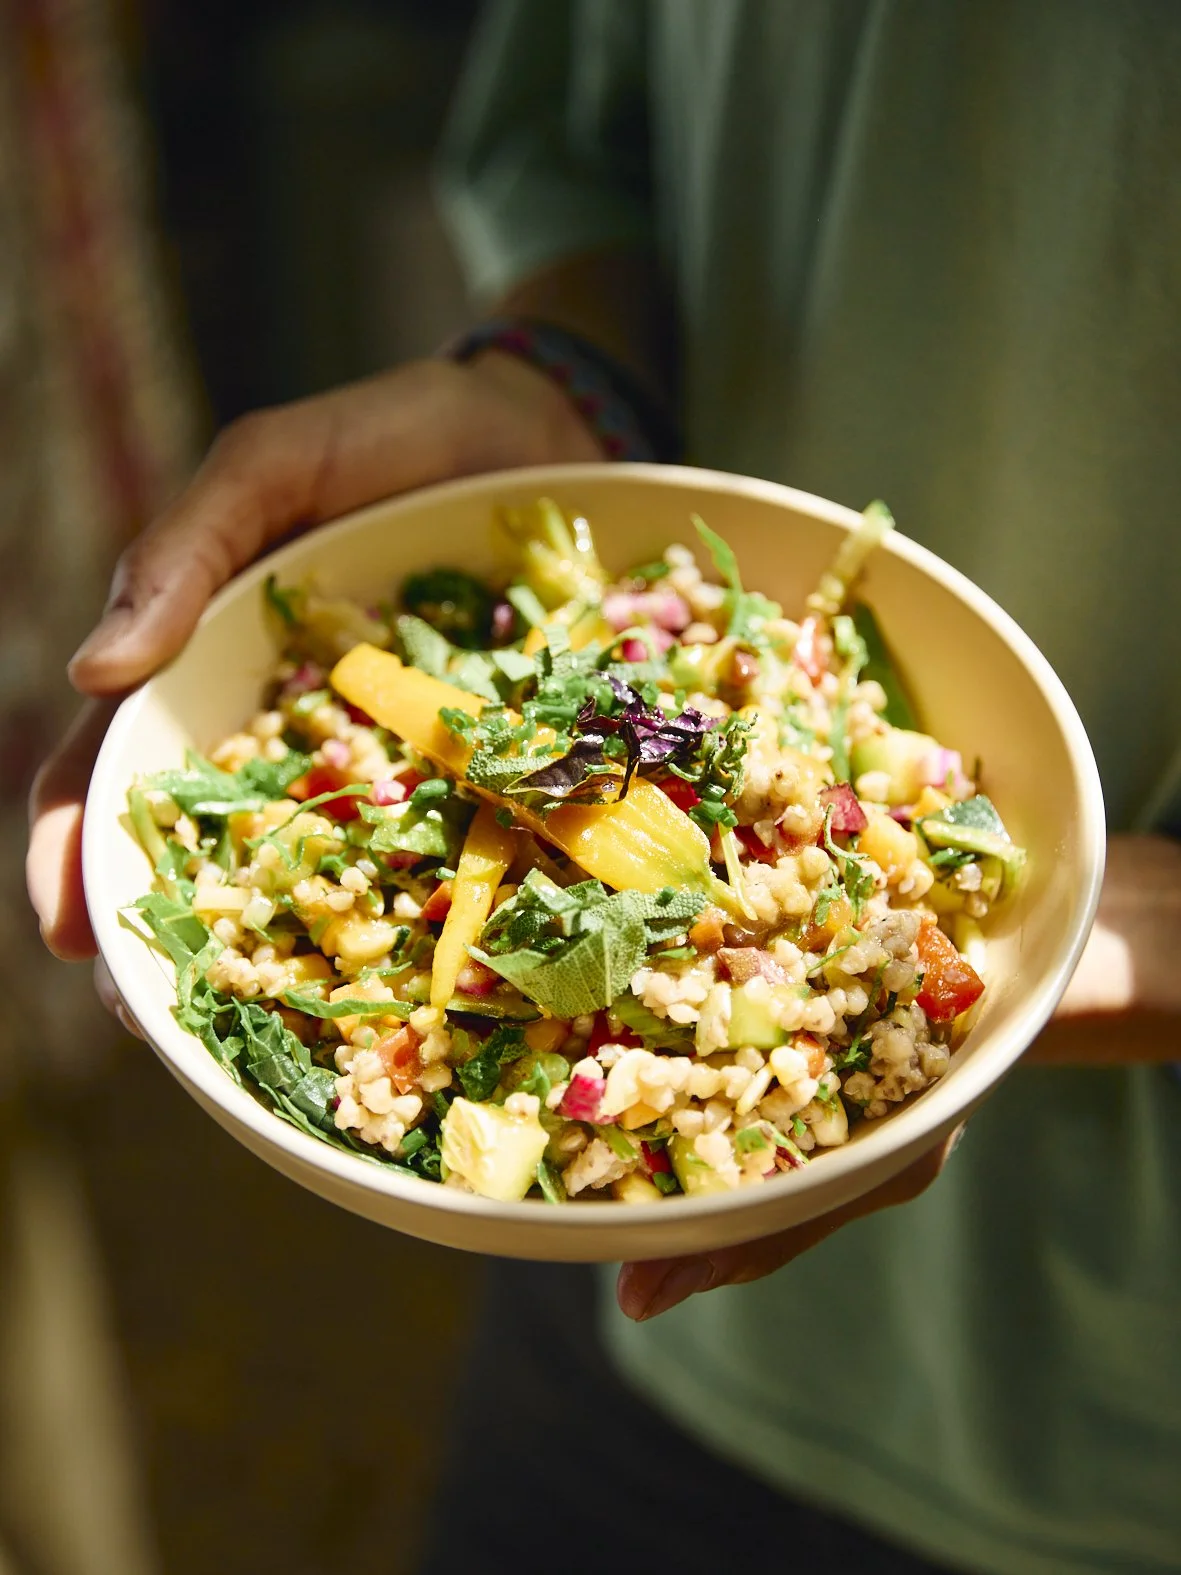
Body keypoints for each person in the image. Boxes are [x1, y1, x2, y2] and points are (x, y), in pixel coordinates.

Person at [28, 2, 1181, 1571]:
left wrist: (1134, 926)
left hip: (1119, 1407)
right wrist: (568, 384)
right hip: (613, 1303)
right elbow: (588, 129)